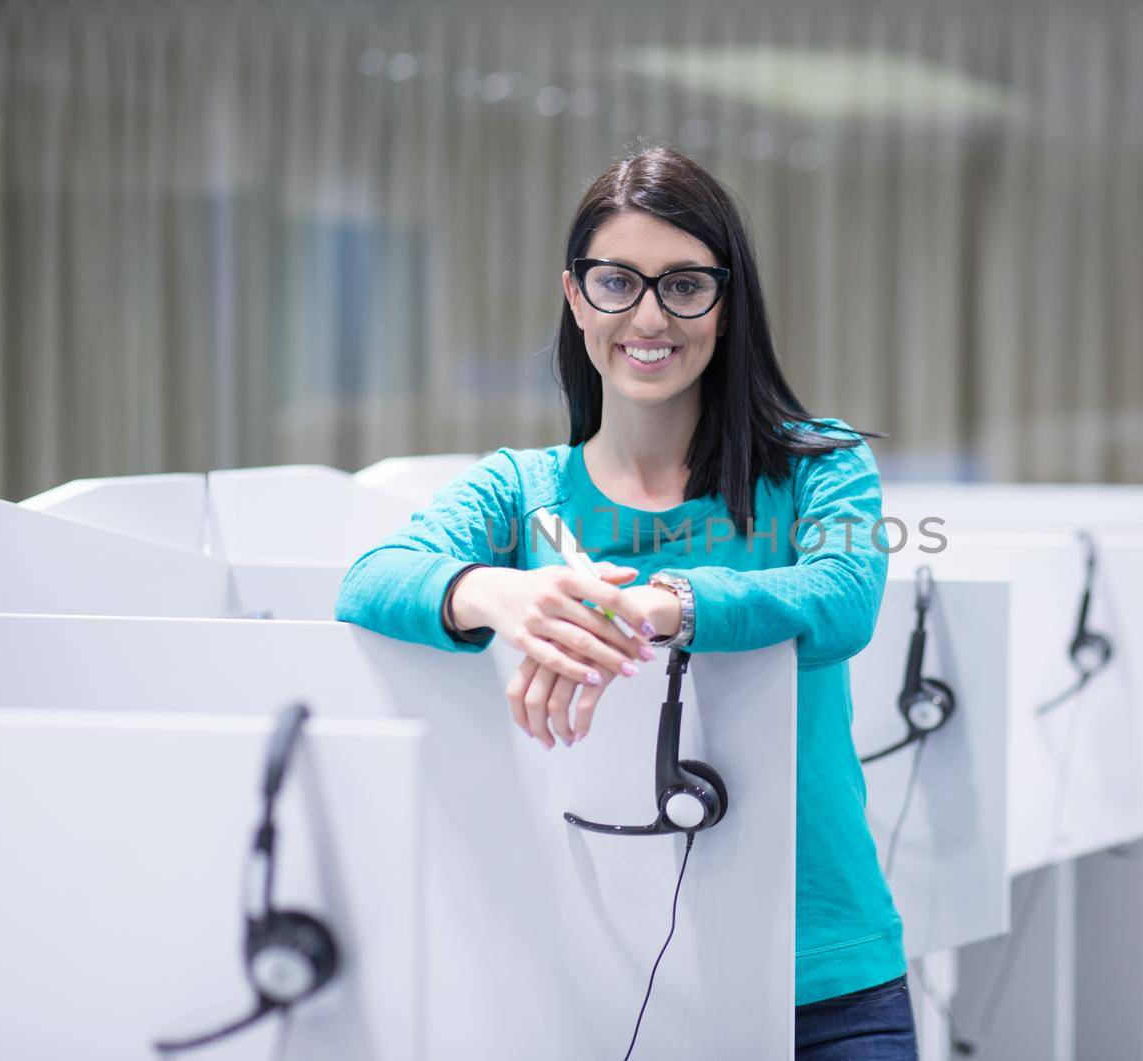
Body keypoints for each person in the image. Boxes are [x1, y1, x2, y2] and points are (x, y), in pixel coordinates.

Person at [335, 144, 916, 1059]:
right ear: (576, 296)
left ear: (726, 307)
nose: (649, 315)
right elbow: (371, 578)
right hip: (584, 972)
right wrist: (499, 591)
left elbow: (842, 598)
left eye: (685, 285)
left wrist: (663, 604)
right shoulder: (522, 489)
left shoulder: (817, 463)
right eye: (618, 282)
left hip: (821, 971)